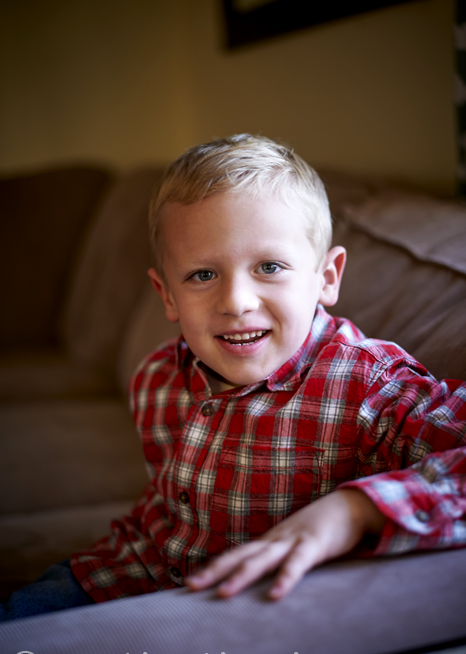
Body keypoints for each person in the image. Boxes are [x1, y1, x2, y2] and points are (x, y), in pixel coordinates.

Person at [2, 134, 465, 619]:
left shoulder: (370, 386)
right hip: (126, 572)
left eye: (269, 266)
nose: (236, 302)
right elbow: (166, 505)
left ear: (327, 278)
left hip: (245, 612)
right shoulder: (158, 377)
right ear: (166, 295)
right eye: (203, 275)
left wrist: (355, 511)